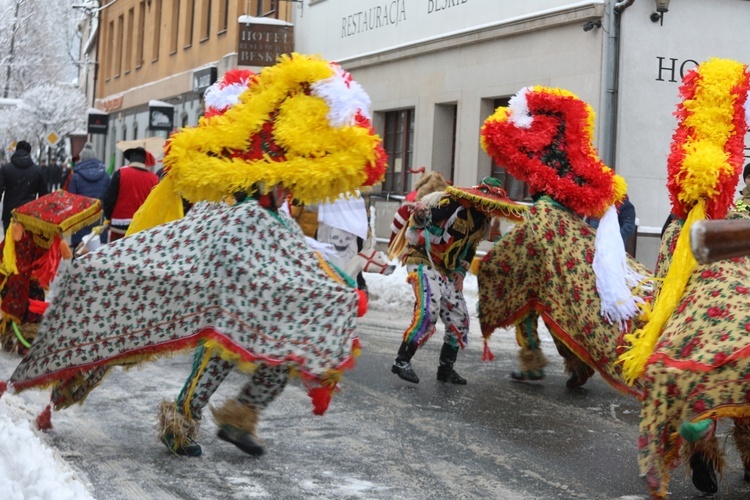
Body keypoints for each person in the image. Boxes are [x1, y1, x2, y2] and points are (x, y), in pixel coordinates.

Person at [5, 55, 387, 461]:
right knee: (214, 334)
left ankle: (238, 414)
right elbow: (177, 202)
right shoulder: (231, 159)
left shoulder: (282, 159)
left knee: (281, 335)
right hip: (229, 244)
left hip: (266, 241)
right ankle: (181, 414)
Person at [390, 177, 526, 385]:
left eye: (493, 205)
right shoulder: (454, 204)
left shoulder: (482, 222)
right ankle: (402, 361)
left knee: (459, 317)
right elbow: (423, 219)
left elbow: (469, 249)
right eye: (488, 203)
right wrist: (420, 215)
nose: (490, 208)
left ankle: (446, 370)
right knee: (429, 309)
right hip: (424, 257)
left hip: (447, 269)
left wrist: (461, 273)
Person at [101, 146, 159, 241]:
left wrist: (109, 217)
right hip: (141, 228)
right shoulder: (154, 179)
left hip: (119, 226)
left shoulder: (120, 173)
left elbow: (109, 199)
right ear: (145, 162)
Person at [67, 142, 111, 250]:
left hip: (81, 219)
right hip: (99, 218)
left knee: (79, 250)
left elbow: (71, 200)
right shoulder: (105, 176)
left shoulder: (76, 176)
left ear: (82, 159)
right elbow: (109, 198)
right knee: (97, 252)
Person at [0, 141, 48, 232]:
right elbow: (44, 195)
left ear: (16, 150)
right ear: (29, 153)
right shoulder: (38, 170)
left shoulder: (6, 169)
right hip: (29, 213)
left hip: (9, 213)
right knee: (26, 243)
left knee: (9, 242)